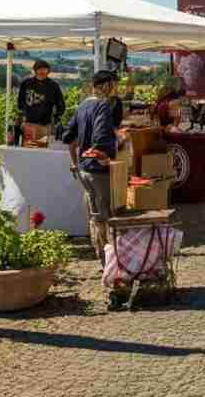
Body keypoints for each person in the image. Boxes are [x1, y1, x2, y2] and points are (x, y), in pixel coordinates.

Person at [65, 70, 119, 264]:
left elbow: (69, 137)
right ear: (104, 85)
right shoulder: (102, 105)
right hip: (98, 170)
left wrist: (74, 162)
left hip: (84, 169)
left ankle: (102, 258)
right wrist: (104, 157)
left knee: (94, 214)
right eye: (113, 84)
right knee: (106, 216)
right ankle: (110, 262)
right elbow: (101, 137)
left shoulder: (82, 106)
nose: (114, 89)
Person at [16, 59, 66, 146]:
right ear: (35, 70)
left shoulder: (53, 86)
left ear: (48, 71)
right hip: (29, 124)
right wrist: (23, 115)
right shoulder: (26, 83)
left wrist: (56, 116)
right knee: (28, 150)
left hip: (45, 125)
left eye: (45, 69)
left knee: (42, 150)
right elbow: (20, 101)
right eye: (40, 69)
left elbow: (60, 104)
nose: (42, 71)